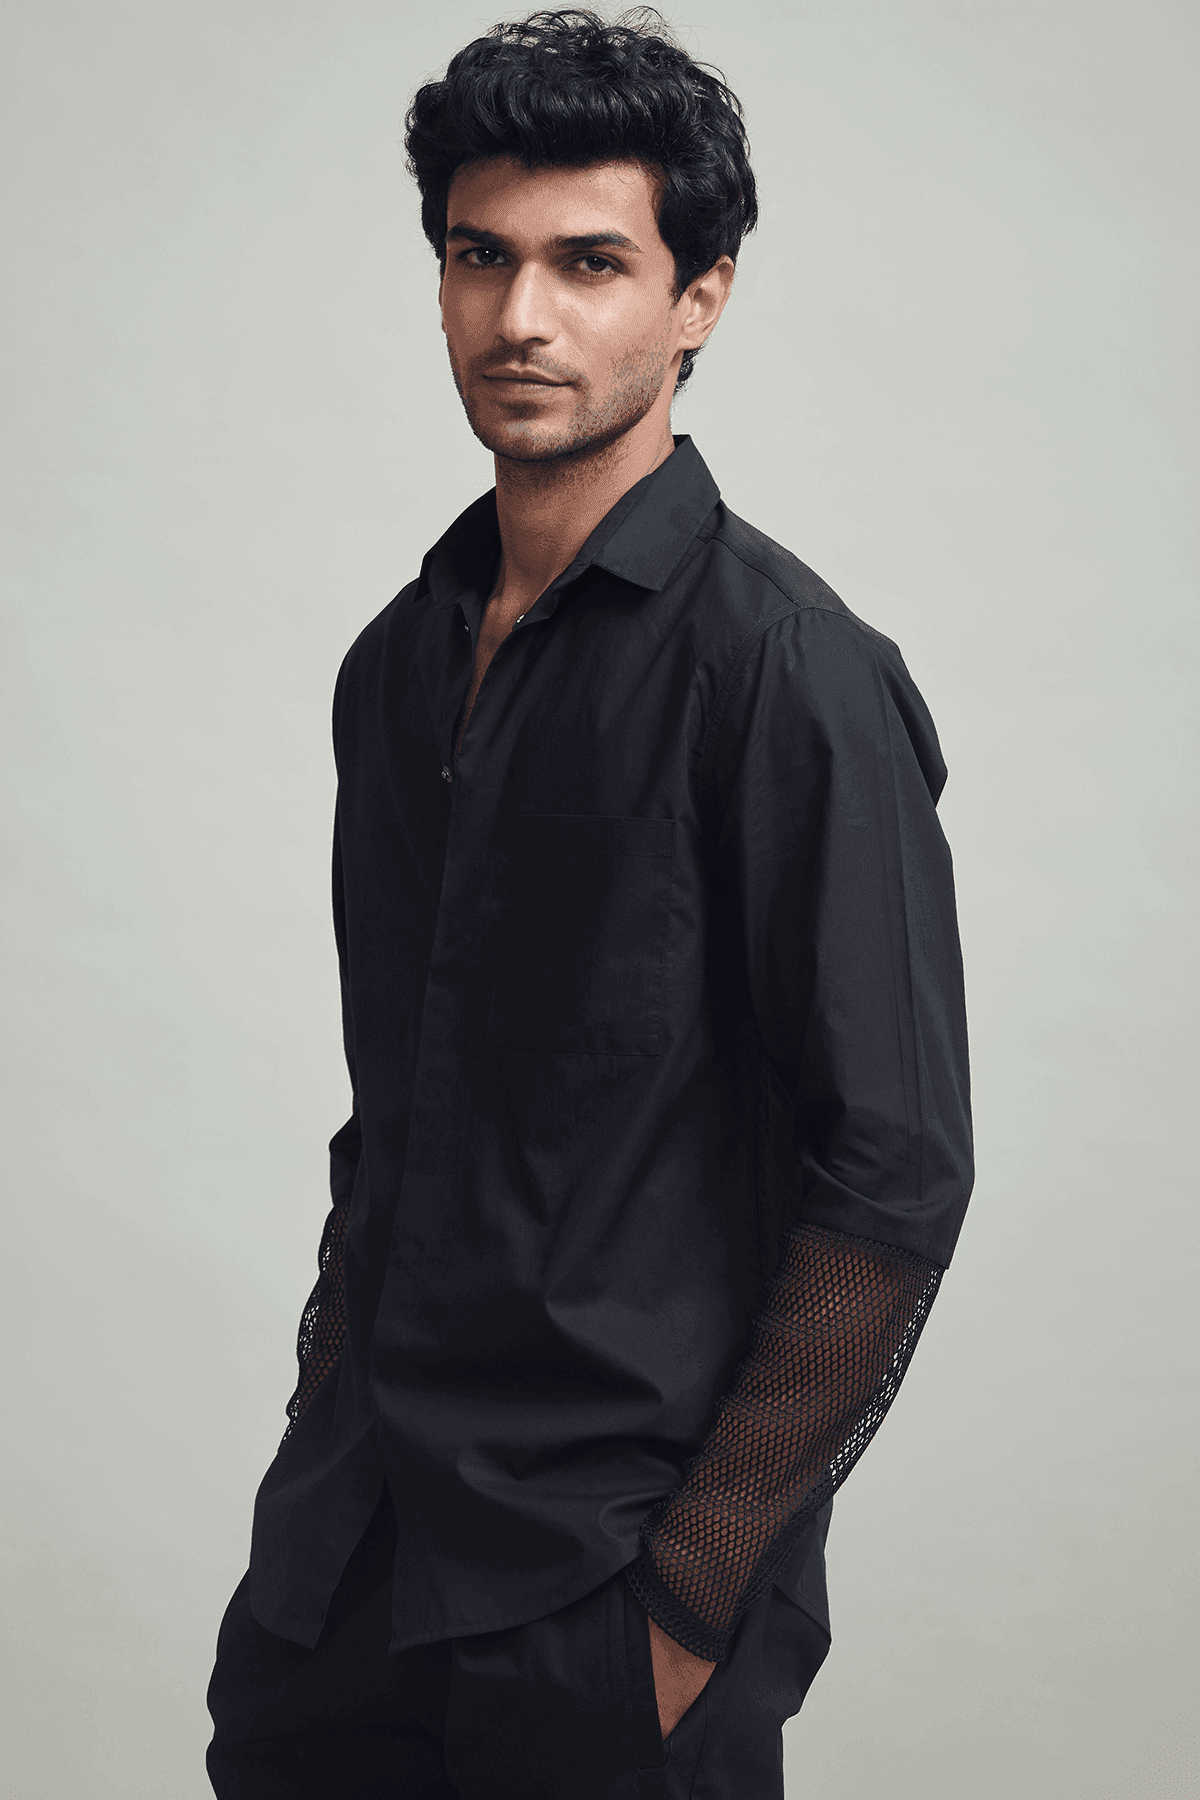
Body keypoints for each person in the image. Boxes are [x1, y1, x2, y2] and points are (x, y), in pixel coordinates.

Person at [205, 10, 973, 1796]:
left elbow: (895, 1175)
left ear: (700, 298)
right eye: (480, 257)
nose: (521, 317)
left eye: (590, 263)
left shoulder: (791, 675)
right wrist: (321, 1432)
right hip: (346, 1567)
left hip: (600, 1590)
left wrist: (689, 1600)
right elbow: (398, 1115)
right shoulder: (395, 667)